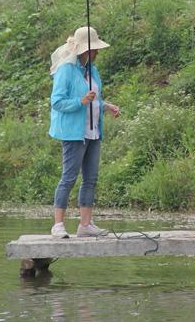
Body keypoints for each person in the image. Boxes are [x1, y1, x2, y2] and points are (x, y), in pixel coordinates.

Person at [48, 26, 119, 238]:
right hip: (73, 133)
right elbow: (57, 102)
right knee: (68, 177)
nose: (97, 52)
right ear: (84, 51)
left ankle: (85, 225)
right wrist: (80, 101)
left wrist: (107, 105)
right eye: (94, 49)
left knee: (91, 178)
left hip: (93, 130)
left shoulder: (92, 70)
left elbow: (94, 96)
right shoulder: (65, 70)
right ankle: (58, 225)